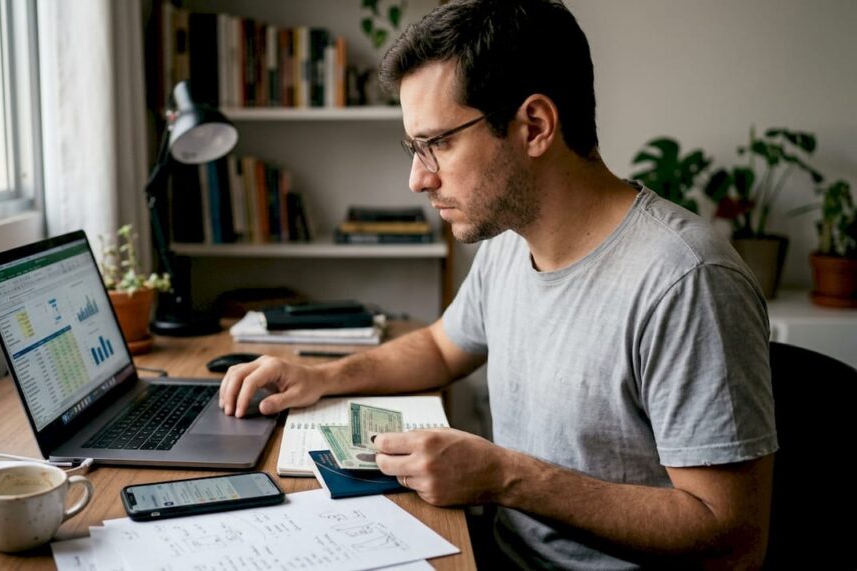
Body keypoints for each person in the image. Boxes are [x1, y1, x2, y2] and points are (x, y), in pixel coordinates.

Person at [219, 0, 777, 568]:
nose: (418, 178)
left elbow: (733, 541)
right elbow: (441, 348)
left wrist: (505, 477)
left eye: (438, 143)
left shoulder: (686, 282)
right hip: (500, 553)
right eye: (414, 147)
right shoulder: (511, 239)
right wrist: (322, 377)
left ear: (534, 127)